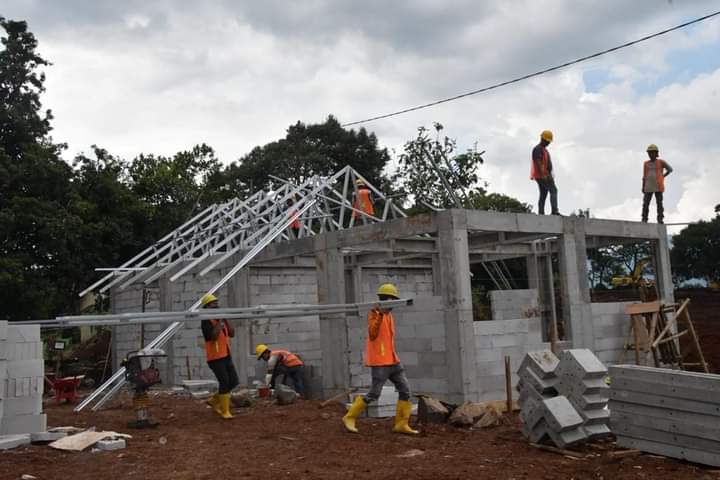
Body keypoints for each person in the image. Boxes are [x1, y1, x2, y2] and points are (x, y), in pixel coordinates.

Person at [342, 283, 418, 435]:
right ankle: (349, 417)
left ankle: (401, 424)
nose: (393, 304)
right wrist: (380, 314)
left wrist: (385, 314)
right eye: (392, 300)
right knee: (374, 394)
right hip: (380, 362)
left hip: (393, 360)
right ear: (386, 299)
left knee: (405, 391)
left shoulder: (389, 315)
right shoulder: (375, 313)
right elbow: (372, 334)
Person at [200, 293, 239, 419]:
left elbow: (232, 334)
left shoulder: (221, 320)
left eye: (217, 304)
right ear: (206, 307)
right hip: (215, 358)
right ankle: (225, 411)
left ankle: (214, 400)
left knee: (233, 381)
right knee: (224, 381)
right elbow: (213, 336)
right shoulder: (206, 321)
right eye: (213, 304)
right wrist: (220, 322)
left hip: (226, 355)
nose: (216, 306)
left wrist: (226, 320)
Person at [641, 144, 673, 224]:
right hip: (648, 187)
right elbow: (644, 176)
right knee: (645, 204)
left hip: (658, 187)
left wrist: (663, 176)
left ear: (656, 153)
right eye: (649, 153)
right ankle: (644, 219)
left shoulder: (661, 162)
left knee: (659, 204)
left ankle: (660, 219)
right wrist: (643, 186)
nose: (650, 154)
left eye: (652, 152)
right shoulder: (646, 163)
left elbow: (670, 169)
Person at [530, 130, 559, 215]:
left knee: (543, 193)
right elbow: (538, 163)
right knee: (553, 190)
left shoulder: (544, 150)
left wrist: (550, 174)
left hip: (544, 175)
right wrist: (543, 175)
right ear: (543, 139)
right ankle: (554, 211)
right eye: (547, 141)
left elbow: (547, 164)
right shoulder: (537, 149)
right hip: (542, 175)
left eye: (549, 141)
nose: (548, 143)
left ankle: (541, 213)